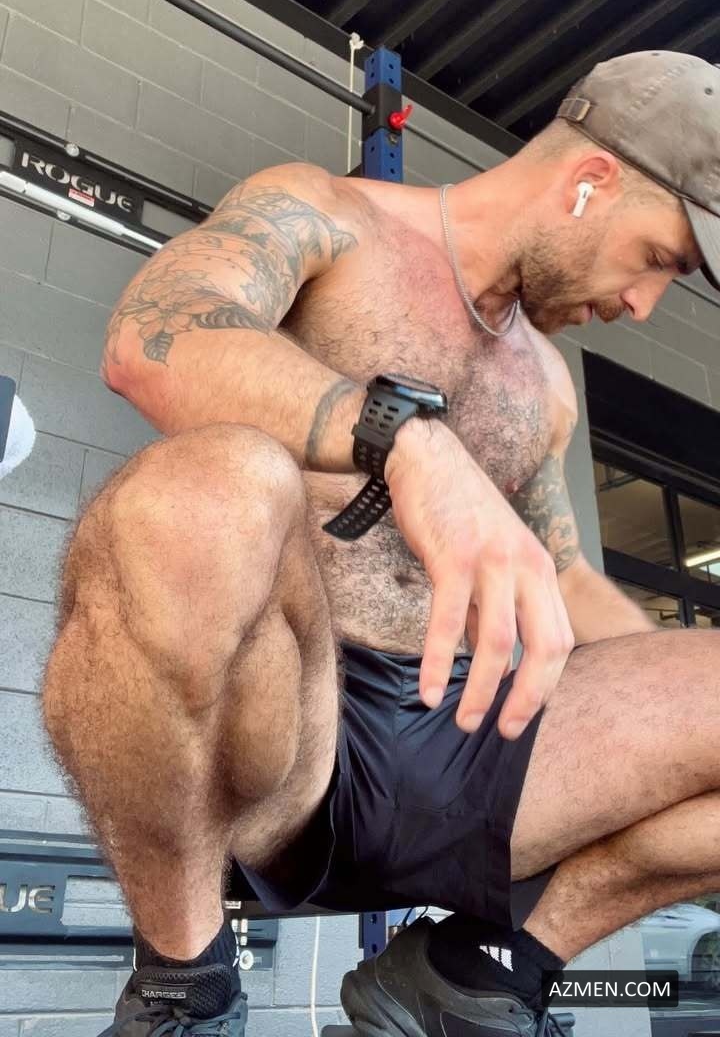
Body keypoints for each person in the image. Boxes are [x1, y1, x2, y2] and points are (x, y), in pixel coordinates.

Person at [41, 51, 720, 1037]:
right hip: (289, 725)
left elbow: (564, 577)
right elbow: (152, 336)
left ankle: (485, 969)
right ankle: (186, 988)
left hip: (469, 739)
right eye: (659, 257)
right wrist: (408, 443)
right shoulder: (326, 214)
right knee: (211, 486)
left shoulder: (546, 383)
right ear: (590, 180)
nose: (643, 304)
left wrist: (683, 725)